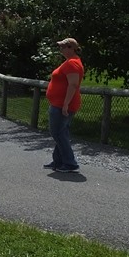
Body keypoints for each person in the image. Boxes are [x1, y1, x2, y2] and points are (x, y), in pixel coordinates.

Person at [45, 37, 84, 173]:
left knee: (57, 133)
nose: (60, 49)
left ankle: (70, 163)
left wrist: (65, 104)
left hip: (63, 104)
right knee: (61, 132)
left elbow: (73, 85)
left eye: (63, 47)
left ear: (71, 48)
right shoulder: (69, 62)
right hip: (59, 103)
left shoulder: (72, 64)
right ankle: (58, 160)